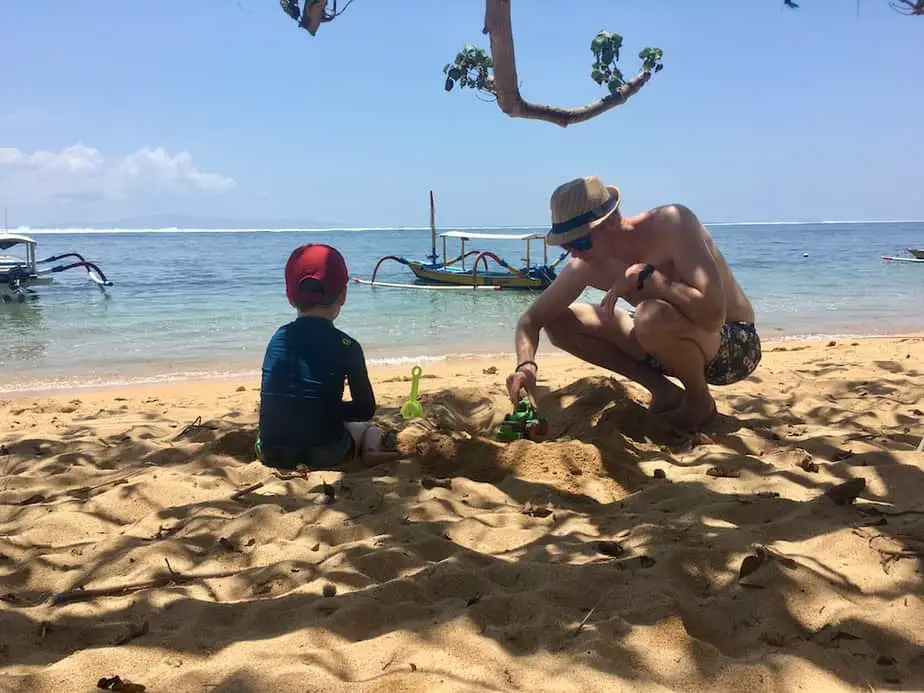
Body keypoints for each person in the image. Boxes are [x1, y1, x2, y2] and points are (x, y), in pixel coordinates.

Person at [506, 176, 761, 431]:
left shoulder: (672, 224)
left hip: (733, 347)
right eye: (566, 245)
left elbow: (714, 316)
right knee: (558, 320)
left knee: (650, 314)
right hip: (663, 343)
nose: (575, 252)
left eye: (580, 241)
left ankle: (699, 401)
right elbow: (531, 320)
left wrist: (655, 281)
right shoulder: (587, 265)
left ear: (612, 221)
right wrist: (525, 366)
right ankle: (664, 391)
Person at [257, 243, 399, 469]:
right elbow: (365, 410)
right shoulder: (347, 346)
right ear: (343, 295)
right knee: (369, 428)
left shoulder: (277, 338)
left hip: (271, 452)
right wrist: (327, 409)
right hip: (327, 452)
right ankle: (371, 451)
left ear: (290, 296)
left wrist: (312, 409)